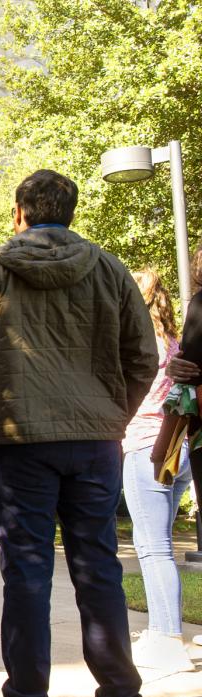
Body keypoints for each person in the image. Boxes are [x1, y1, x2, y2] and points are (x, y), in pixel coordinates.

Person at [0, 169, 160, 697]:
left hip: (20, 445)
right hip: (94, 444)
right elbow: (144, 357)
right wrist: (109, 414)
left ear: (20, 211)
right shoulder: (110, 268)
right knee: (99, 575)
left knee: (27, 577)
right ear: (70, 213)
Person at [123, 270, 195, 673]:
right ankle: (163, 632)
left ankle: (167, 638)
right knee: (161, 544)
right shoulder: (173, 343)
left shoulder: (134, 344)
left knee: (153, 548)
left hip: (147, 448)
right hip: (178, 447)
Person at [160, 243, 202, 652]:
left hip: (169, 442)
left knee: (155, 546)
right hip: (191, 438)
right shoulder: (194, 313)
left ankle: (167, 634)